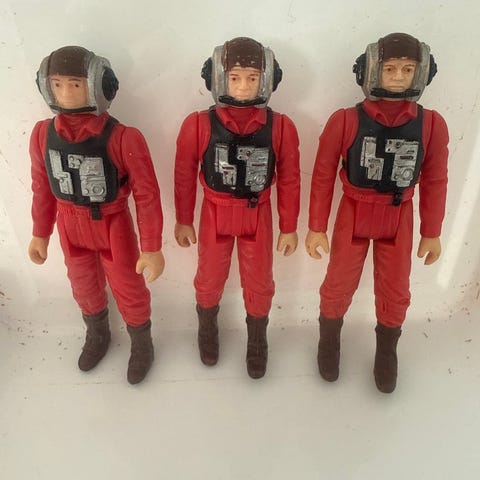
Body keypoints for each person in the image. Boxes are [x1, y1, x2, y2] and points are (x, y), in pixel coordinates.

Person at [305, 33, 448, 393]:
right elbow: (322, 176)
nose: (398, 76)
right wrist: (316, 226)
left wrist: (431, 231)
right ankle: (329, 341)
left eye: (407, 69)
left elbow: (436, 180)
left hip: (399, 215)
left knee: (396, 287)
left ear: (421, 73)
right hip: (354, 210)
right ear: (372, 70)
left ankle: (387, 350)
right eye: (390, 68)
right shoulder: (345, 121)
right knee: (338, 282)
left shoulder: (431, 125)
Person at [29, 46, 165, 384]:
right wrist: (40, 232)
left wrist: (151, 247)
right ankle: (97, 333)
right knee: (83, 285)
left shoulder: (123, 138)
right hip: (69, 222)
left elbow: (147, 195)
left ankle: (142, 343)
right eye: (57, 84)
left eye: (75, 84)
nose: (65, 92)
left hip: (111, 222)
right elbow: (42, 186)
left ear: (98, 84)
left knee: (128, 285)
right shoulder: (42, 135)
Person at [174, 37, 300, 378]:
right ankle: (207, 329)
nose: (243, 86)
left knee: (259, 281)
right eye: (234, 77)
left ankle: (257, 339)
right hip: (214, 211)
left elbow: (290, 180)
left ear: (267, 80)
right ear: (218, 78)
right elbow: (184, 175)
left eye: (252, 78)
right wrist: (184, 220)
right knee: (208, 278)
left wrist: (289, 226)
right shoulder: (198, 125)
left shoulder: (281, 127)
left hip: (258, 213)